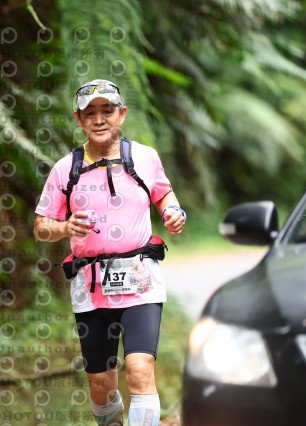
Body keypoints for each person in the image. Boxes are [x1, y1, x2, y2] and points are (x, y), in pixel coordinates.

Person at [33, 79, 186, 426]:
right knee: (101, 385)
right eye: (90, 113)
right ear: (79, 119)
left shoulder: (145, 157)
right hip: (91, 288)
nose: (99, 119)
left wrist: (173, 212)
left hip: (141, 281)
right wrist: (65, 227)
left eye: (107, 110)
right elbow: (41, 226)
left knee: (140, 368)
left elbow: (164, 194)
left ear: (122, 114)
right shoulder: (65, 169)